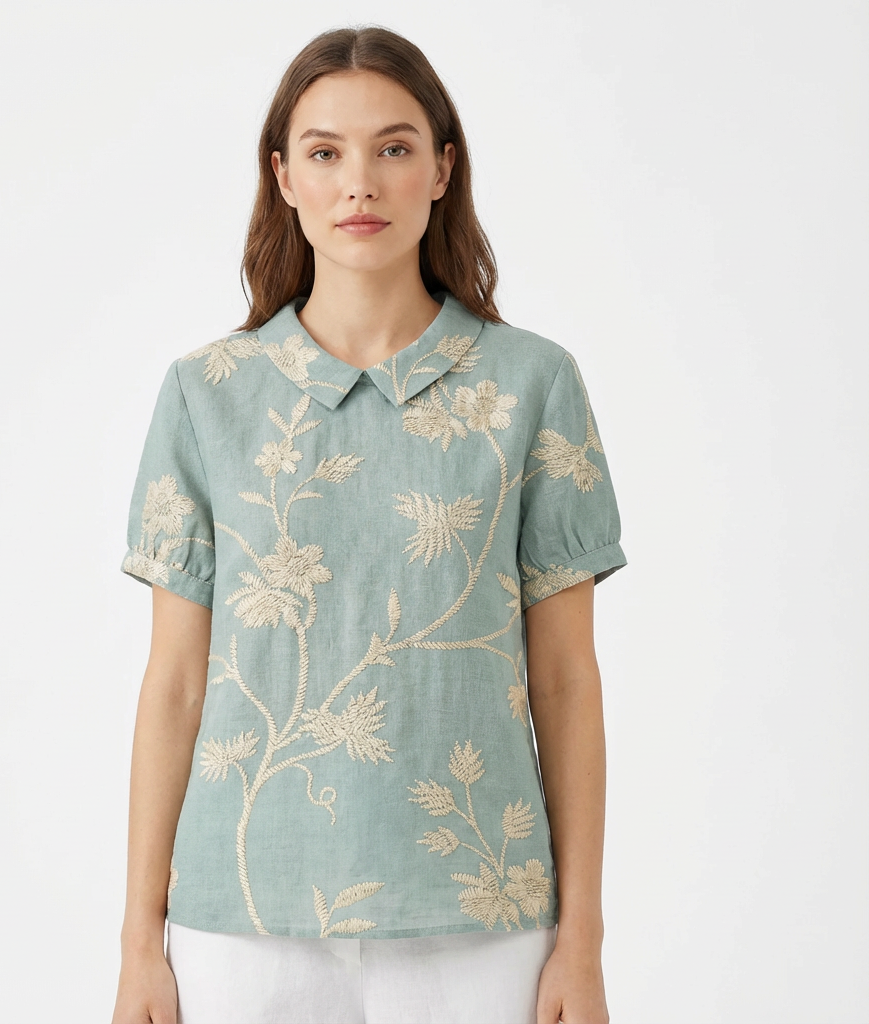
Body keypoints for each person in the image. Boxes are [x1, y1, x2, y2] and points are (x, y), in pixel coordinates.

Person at [111, 25, 624, 1024]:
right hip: (240, 922)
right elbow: (175, 683)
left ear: (442, 169)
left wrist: (584, 941)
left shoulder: (532, 385)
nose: (359, 184)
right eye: (324, 152)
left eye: (393, 147)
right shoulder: (207, 395)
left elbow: (566, 680)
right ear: (283, 177)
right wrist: (139, 944)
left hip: (482, 923)